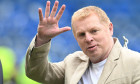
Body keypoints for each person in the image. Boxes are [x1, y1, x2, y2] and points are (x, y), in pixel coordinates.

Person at [25, 1, 140, 84]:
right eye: (81, 34)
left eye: (94, 31)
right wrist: (42, 39)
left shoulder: (135, 62)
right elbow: (36, 72)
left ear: (110, 28)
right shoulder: (72, 62)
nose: (88, 39)